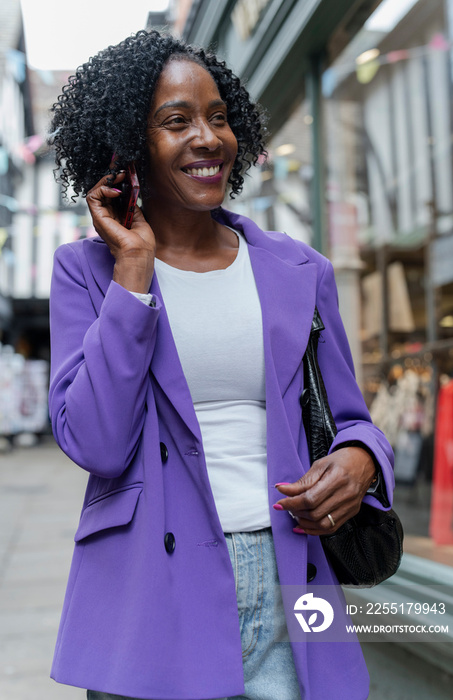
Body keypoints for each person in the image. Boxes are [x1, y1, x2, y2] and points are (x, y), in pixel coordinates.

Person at [47, 30, 394, 700]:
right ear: (128, 146)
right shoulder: (86, 274)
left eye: (218, 117)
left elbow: (353, 419)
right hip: (151, 589)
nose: (207, 138)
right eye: (176, 122)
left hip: (292, 572)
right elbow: (95, 441)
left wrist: (360, 461)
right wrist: (133, 276)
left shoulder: (300, 269)